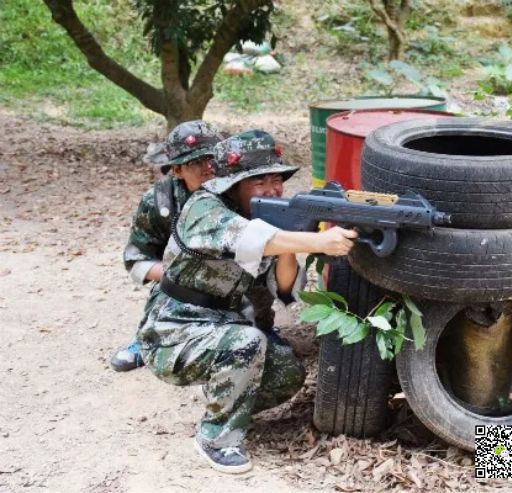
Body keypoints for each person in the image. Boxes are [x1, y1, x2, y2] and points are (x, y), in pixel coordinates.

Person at [137, 130, 358, 474]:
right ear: (233, 185)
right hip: (172, 331)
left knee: (287, 372)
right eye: (258, 182)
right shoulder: (205, 208)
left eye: (276, 180)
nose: (271, 189)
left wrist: (290, 243)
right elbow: (250, 239)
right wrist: (316, 241)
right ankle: (217, 438)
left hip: (221, 326)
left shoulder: (265, 220)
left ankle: (224, 398)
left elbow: (284, 289)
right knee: (247, 342)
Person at [111, 120, 222, 371]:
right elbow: (137, 259)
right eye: (196, 162)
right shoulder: (160, 202)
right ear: (177, 170)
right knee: (171, 287)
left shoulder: (239, 190)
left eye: (213, 158)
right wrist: (185, 273)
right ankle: (151, 340)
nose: (208, 168)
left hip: (238, 278)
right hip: (183, 282)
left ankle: (261, 329)